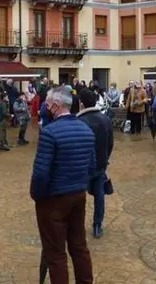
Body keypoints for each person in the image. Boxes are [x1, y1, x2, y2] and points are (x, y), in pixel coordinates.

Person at [30, 86, 95, 283]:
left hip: (54, 199)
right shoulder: (86, 129)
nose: (45, 108)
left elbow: (41, 173)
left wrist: (37, 196)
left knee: (55, 252)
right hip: (78, 195)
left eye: (48, 104)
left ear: (57, 106)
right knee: (79, 246)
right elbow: (92, 167)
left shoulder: (50, 132)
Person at [77, 88, 114, 239]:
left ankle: (77, 225)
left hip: (83, 166)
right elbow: (110, 143)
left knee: (79, 196)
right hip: (100, 163)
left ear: (82, 103)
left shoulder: (79, 121)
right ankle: (97, 225)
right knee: (99, 195)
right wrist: (105, 158)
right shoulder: (105, 119)